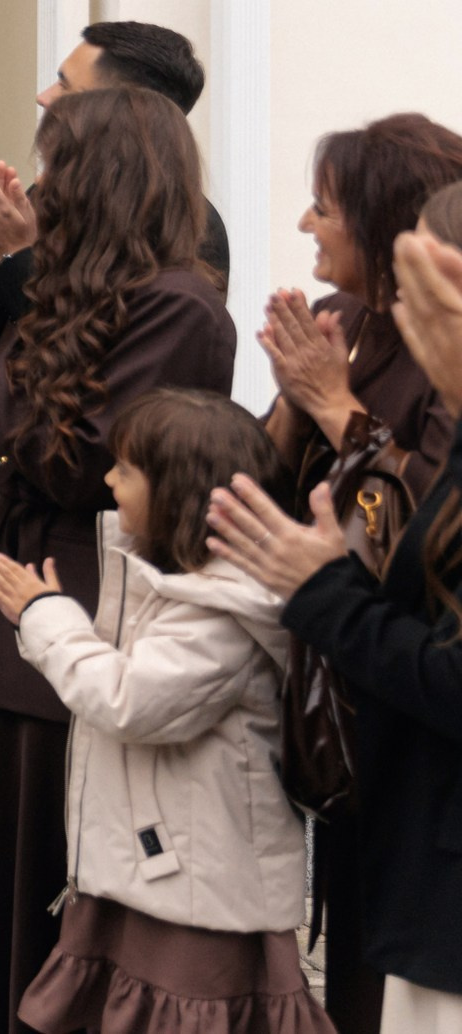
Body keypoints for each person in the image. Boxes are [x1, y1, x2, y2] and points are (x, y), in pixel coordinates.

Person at [0, 87, 235, 1034]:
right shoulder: (104, 293)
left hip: (85, 619)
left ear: (104, 179)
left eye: (53, 166)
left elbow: (79, 464)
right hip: (31, 619)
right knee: (10, 884)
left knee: (49, 889)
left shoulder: (180, 306)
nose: (38, 184)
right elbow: (5, 437)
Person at [0, 390, 325, 1034]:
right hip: (158, 875)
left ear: (176, 492)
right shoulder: (170, 587)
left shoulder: (222, 611)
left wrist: (45, 616)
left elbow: (129, 700)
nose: (107, 480)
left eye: (126, 470)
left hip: (195, 897)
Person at [211, 187, 462, 1034]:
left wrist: (323, 591)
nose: (304, 225)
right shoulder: (344, 329)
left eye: (326, 204)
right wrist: (297, 402)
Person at [0, 22, 230, 432]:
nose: (44, 98)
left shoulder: (191, 230)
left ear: (126, 112)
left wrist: (16, 258)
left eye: (65, 87)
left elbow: (94, 377)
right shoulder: (44, 201)